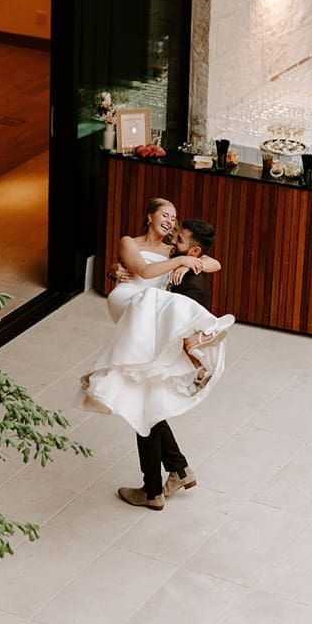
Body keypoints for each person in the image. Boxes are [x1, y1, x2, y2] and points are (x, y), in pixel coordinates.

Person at [79, 197, 231, 510]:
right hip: (135, 315)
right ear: (149, 216)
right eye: (165, 214)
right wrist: (115, 270)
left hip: (146, 324)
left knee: (143, 403)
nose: (170, 221)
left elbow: (213, 262)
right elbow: (145, 271)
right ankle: (177, 471)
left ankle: (155, 489)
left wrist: (194, 261)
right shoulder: (134, 244)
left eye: (174, 217)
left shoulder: (173, 250)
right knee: (146, 402)